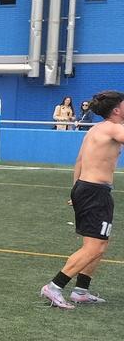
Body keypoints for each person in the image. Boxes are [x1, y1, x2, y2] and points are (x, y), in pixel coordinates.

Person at [40, 91, 124, 308]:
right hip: (94, 191)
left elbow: (79, 160)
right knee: (95, 247)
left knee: (99, 244)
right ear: (116, 110)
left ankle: (81, 290)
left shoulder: (96, 129)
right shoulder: (113, 128)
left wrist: (75, 191)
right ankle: (54, 286)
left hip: (86, 188)